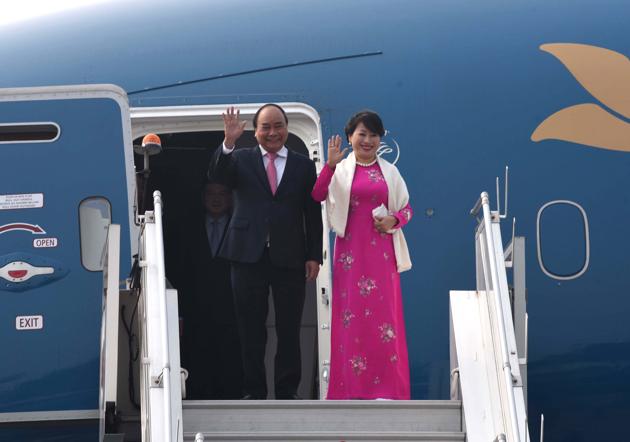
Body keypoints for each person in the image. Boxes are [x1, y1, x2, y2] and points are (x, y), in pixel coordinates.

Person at [208, 105, 323, 400]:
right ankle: (253, 391)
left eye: (278, 126)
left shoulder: (303, 165)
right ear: (256, 131)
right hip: (247, 255)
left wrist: (313, 255)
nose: (273, 133)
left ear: (286, 127)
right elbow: (217, 176)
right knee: (250, 329)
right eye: (266, 127)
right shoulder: (241, 158)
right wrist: (229, 143)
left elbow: (312, 213)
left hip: (290, 257)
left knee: (289, 329)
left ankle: (287, 391)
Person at [311, 110, 413, 400]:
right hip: (350, 257)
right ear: (350, 137)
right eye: (362, 134)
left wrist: (395, 220)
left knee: (386, 321)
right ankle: (350, 390)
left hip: (383, 255)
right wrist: (329, 167)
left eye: (373, 134)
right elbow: (317, 194)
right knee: (350, 320)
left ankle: (388, 390)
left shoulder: (390, 172)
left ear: (380, 138)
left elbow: (407, 209)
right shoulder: (340, 170)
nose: (367, 140)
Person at [177, 180, 242, 399]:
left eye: (222, 193)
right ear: (203, 198)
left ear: (231, 198)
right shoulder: (189, 229)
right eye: (211, 194)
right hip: (196, 307)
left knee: (230, 354)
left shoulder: (240, 225)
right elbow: (182, 269)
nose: (216, 199)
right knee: (197, 353)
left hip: (230, 305)